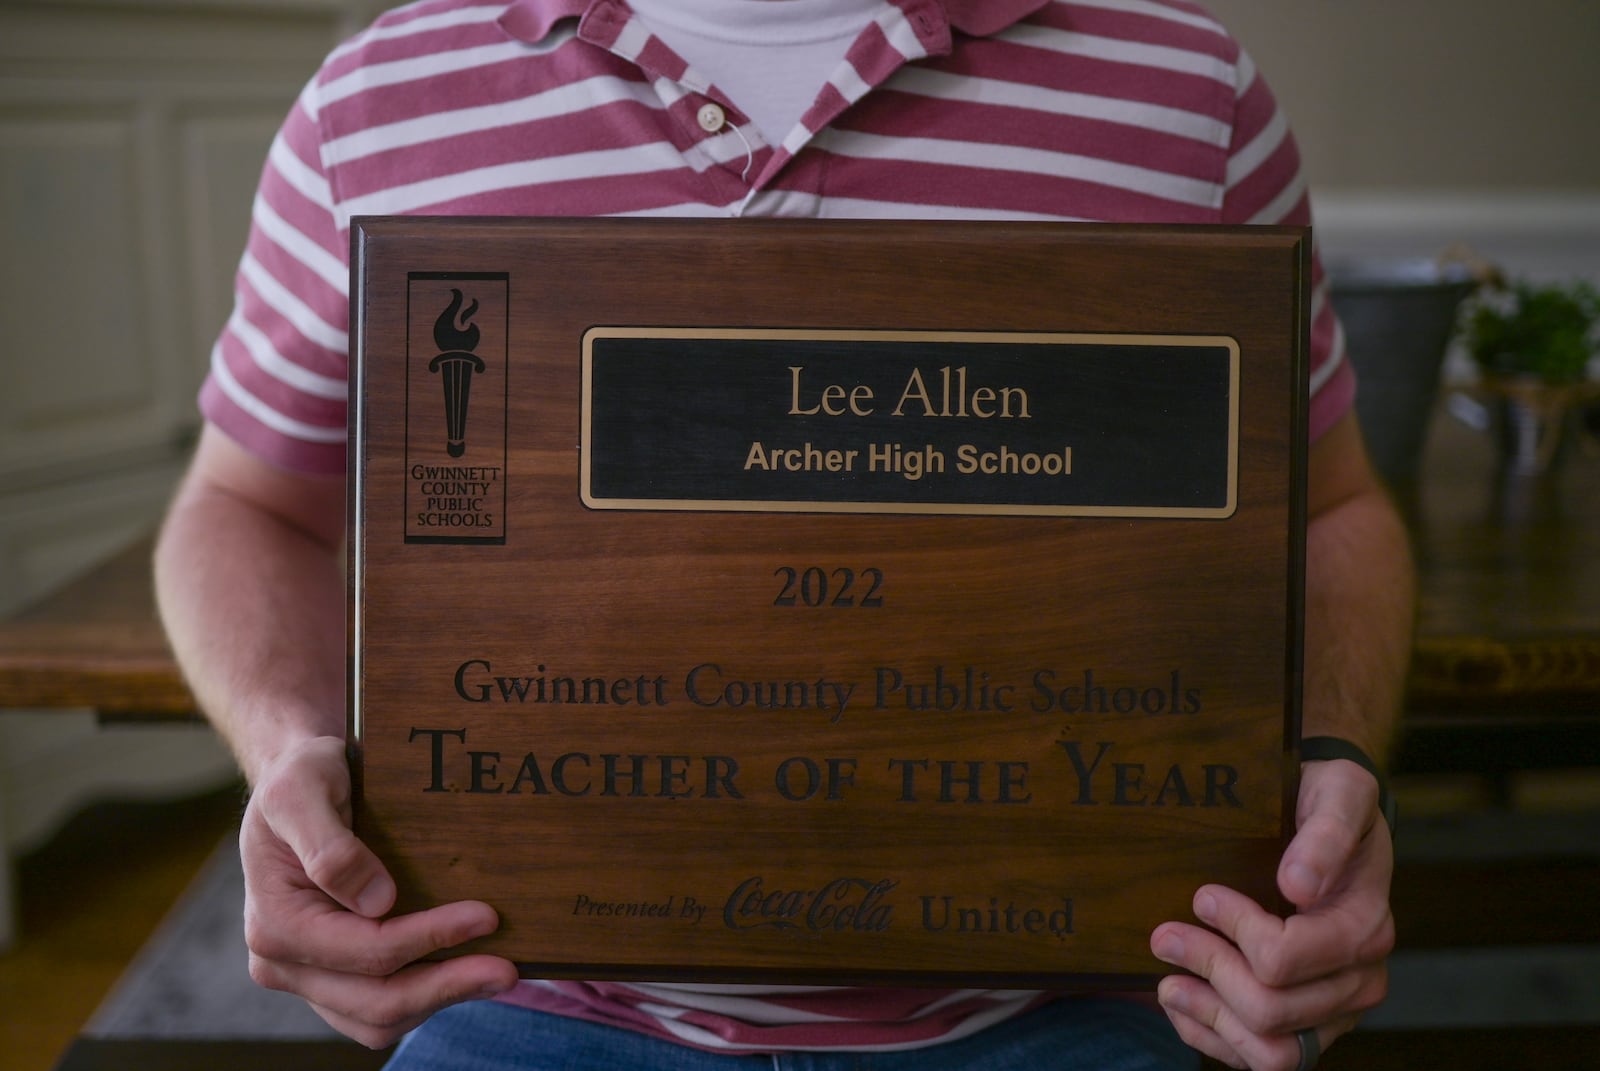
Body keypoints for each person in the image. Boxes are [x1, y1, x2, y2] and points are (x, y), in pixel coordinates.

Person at [153, 2, 1413, 1069]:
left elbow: (1336, 506)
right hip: (520, 1000)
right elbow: (244, 508)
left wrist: (1327, 775)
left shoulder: (1186, 93)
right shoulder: (378, 97)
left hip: (1070, 1003)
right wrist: (290, 760)